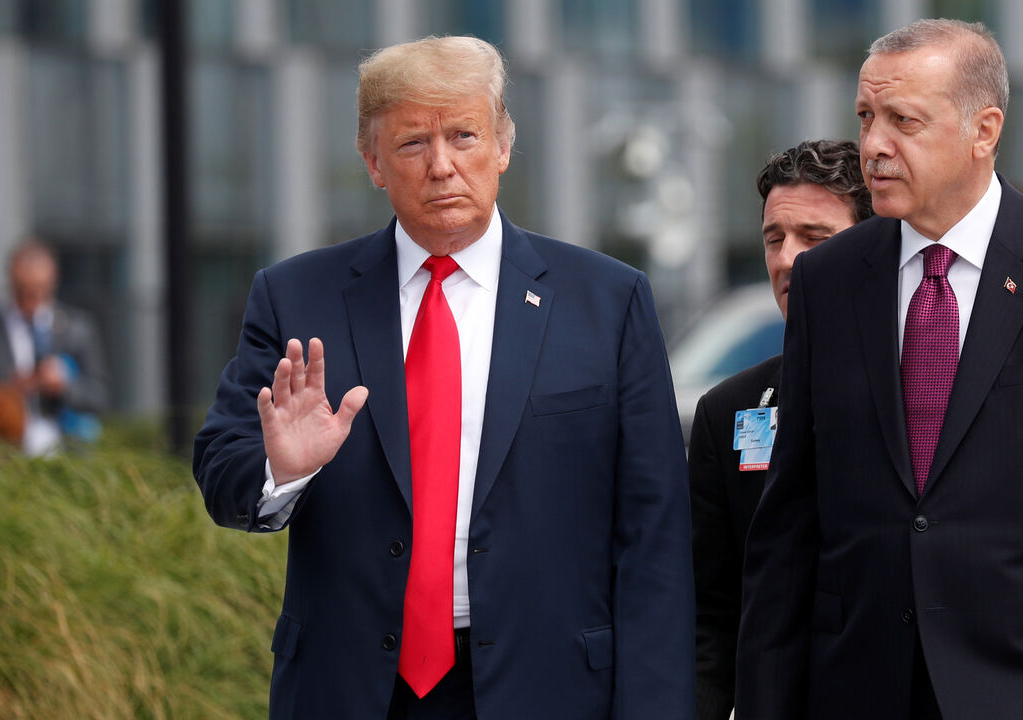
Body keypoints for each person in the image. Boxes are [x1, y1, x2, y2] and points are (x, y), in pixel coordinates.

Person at [192, 36, 693, 720]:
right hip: (351, 691)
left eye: (464, 135)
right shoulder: (296, 298)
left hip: (550, 687)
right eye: (412, 145)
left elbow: (655, 534)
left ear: (503, 147)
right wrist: (282, 472)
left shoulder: (606, 301)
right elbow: (223, 470)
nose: (442, 166)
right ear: (373, 162)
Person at [736, 19, 1023, 719]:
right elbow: (790, 528)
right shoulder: (829, 282)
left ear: (984, 131)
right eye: (865, 118)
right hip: (863, 688)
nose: (873, 146)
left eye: (903, 121)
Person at [687, 138, 871, 720]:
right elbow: (710, 615)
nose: (787, 258)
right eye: (775, 238)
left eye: (814, 237)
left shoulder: (932, 387)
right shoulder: (731, 409)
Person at [0, 239, 107, 455]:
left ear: (53, 282)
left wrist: (63, 386)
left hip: (67, 453)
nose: (31, 299)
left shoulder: (77, 330)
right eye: (22, 289)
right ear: (10, 281)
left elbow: (99, 396)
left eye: (39, 289)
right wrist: (4, 391)